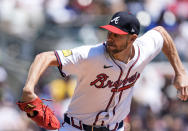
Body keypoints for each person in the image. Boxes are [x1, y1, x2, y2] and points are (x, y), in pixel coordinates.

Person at [20, 11, 188, 131]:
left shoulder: (144, 49)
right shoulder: (90, 55)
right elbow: (44, 57)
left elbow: (161, 33)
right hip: (76, 127)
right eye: (109, 32)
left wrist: (180, 72)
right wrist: (29, 88)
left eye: (117, 35)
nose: (110, 38)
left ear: (132, 39)